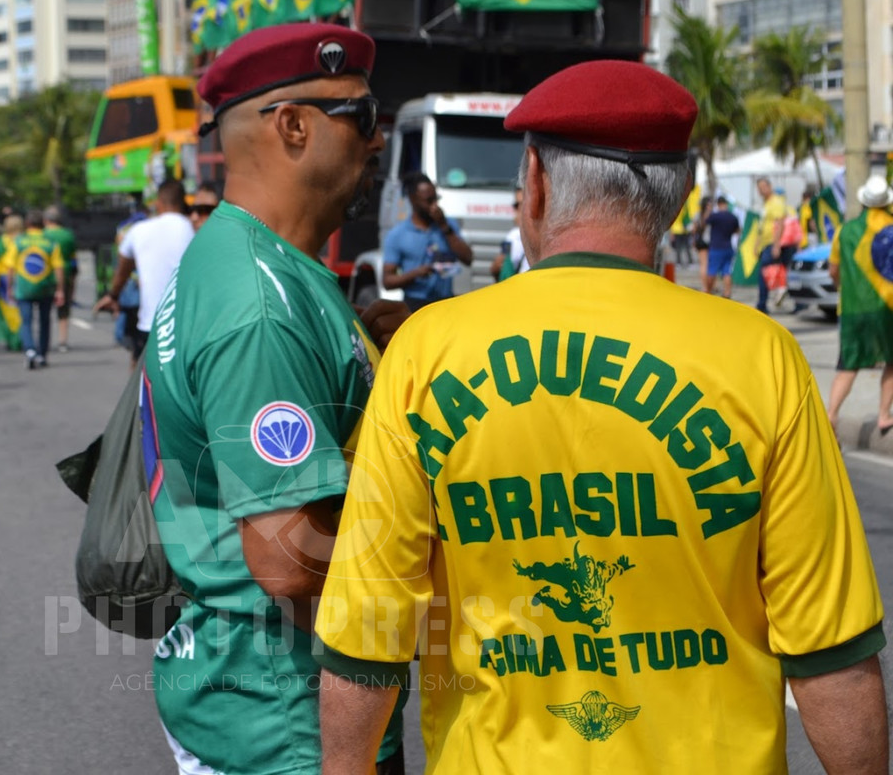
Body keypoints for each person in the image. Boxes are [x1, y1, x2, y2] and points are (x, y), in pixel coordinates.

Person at [314, 60, 888, 775]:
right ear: (678, 198)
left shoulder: (427, 354)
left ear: (537, 183)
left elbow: (368, 632)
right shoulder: (762, 357)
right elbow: (831, 651)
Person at [140, 23, 406, 775]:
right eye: (362, 116)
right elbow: (289, 557)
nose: (377, 139)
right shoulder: (261, 305)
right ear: (292, 125)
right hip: (289, 721)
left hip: (263, 696)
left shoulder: (253, 260)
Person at [94, 179, 194, 365]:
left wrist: (113, 295)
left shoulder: (139, 230)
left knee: (142, 380)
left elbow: (122, 270)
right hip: (189, 326)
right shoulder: (194, 229)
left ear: (158, 202)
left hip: (151, 323)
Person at [826, 174, 893, 438]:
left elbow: (833, 270)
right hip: (888, 309)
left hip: (852, 310)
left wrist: (844, 285)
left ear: (864, 202)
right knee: (892, 361)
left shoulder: (845, 231)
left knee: (848, 365)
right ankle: (884, 415)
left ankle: (831, 414)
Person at [382, 172, 473, 310]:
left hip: (444, 303)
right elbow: (387, 281)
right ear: (413, 200)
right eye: (429, 201)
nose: (435, 206)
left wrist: (444, 227)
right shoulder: (398, 234)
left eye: (436, 199)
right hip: (415, 304)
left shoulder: (448, 225)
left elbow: (468, 258)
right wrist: (416, 273)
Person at [3, 209, 65, 369]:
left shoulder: (18, 242)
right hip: (45, 287)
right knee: (45, 322)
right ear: (42, 224)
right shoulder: (50, 243)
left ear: (27, 224)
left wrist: (9, 287)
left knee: (26, 321)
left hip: (24, 288)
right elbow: (58, 268)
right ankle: (42, 354)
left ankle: (30, 350)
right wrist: (60, 289)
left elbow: (10, 267)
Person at [43, 206, 78, 353]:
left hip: (45, 275)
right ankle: (62, 340)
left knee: (44, 309)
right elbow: (73, 258)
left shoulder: (42, 235)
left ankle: (43, 340)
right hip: (65, 274)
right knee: (63, 310)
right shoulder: (68, 235)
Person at [0, 213, 22, 351]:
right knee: (19, 310)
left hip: (4, 278)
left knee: (7, 310)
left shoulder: (3, 241)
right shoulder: (23, 240)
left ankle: (12, 339)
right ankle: (19, 338)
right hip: (21, 278)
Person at [753, 176, 787, 313]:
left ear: (769, 186)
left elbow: (780, 223)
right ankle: (776, 293)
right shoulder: (766, 204)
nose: (761, 191)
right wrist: (756, 244)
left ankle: (763, 303)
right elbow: (762, 227)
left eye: (763, 187)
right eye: (759, 188)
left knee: (764, 273)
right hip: (764, 244)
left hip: (771, 243)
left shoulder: (776, 202)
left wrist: (776, 245)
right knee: (767, 273)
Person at [703, 196, 740, 297]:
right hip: (728, 247)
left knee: (712, 271)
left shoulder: (715, 216)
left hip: (716, 247)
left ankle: (708, 291)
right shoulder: (733, 217)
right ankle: (727, 292)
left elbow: (704, 221)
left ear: (718, 204)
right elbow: (737, 231)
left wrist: (708, 210)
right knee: (727, 271)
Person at [492, 186, 529, 281]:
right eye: (515, 205)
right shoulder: (513, 236)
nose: (515, 209)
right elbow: (501, 270)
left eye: (518, 205)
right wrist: (497, 266)